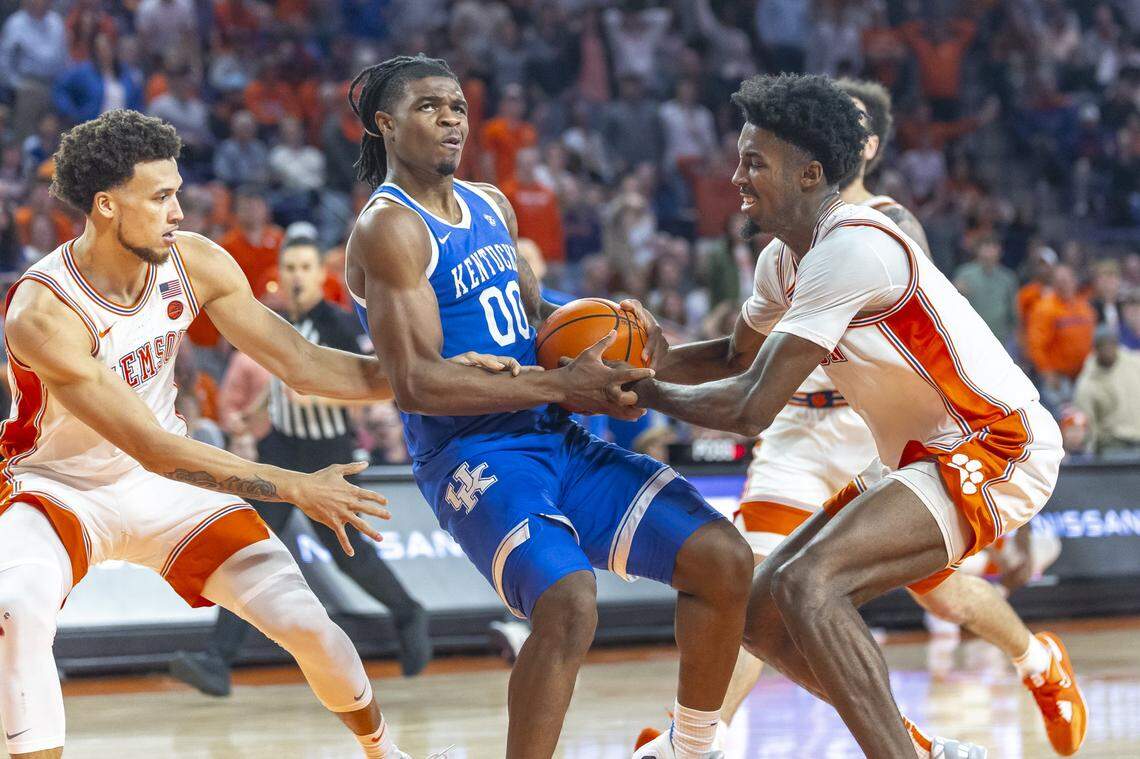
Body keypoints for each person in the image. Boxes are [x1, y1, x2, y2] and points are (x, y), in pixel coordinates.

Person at [0, 109, 513, 759]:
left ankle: (386, 751)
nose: (180, 211)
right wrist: (295, 486)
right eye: (161, 197)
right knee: (19, 607)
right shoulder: (44, 310)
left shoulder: (195, 263)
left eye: (178, 192)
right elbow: (152, 446)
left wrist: (424, 374)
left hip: (161, 490)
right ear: (105, 206)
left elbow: (304, 361)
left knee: (305, 620)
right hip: (56, 488)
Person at [626, 74, 1083, 759]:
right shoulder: (783, 257)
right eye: (740, 157)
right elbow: (729, 353)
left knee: (814, 584)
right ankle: (913, 747)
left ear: (810, 172)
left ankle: (993, 689)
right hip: (905, 451)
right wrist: (641, 363)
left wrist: (635, 393)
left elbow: (750, 406)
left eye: (755, 162)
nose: (736, 176)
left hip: (991, 440)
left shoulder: (856, 245)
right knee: (757, 606)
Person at [343, 54, 752, 759]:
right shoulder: (390, 229)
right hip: (472, 454)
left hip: (552, 434)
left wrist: (615, 341)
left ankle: (690, 748)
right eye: (430, 107)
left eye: (458, 107)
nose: (451, 120)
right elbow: (416, 382)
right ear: (385, 124)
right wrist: (565, 386)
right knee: (568, 601)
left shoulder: (490, 204)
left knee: (723, 559)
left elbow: (538, 317)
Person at [169, 237, 433, 698]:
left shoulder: (333, 323)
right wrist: (254, 415)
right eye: (289, 265)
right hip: (281, 451)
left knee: (352, 557)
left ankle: (409, 612)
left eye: (304, 266)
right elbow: (280, 389)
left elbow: (362, 389)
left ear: (318, 274)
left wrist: (310, 394)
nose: (295, 274)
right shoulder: (283, 319)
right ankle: (216, 660)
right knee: (246, 547)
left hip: (328, 456)